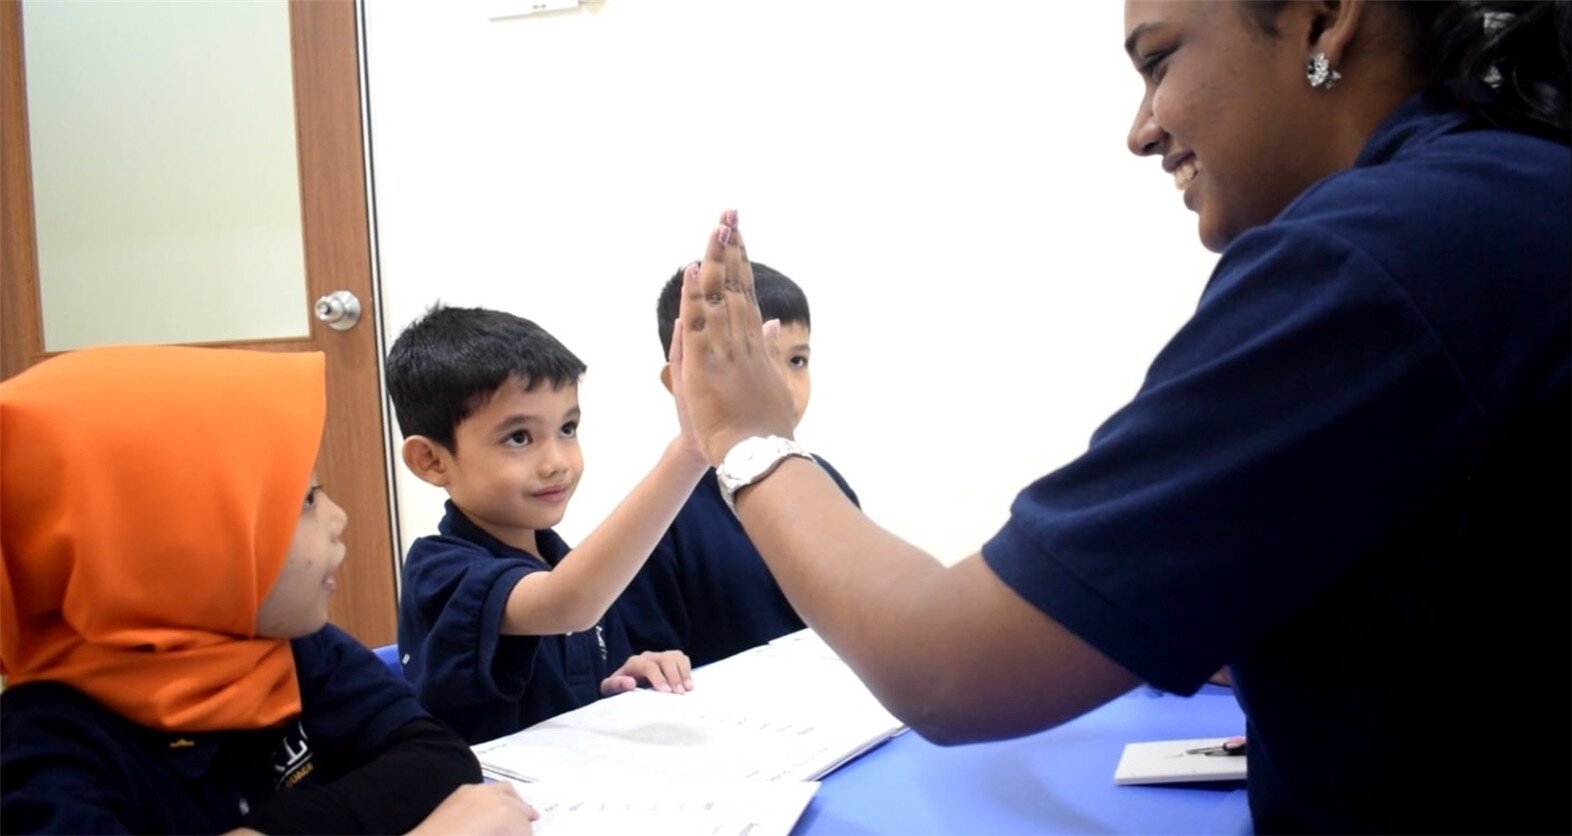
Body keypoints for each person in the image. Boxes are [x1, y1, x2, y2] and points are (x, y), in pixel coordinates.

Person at [665, 2, 1570, 832]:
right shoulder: (1512, 189)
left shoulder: (1375, 254)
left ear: (1326, 18)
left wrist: (749, 439)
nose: (1142, 131)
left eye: (1159, 60)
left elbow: (949, 671)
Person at [0, 345, 537, 835]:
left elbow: (435, 756)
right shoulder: (46, 752)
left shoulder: (290, 647)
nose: (338, 518)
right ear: (175, 541)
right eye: (303, 501)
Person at [387, 304, 702, 745]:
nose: (557, 462)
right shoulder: (439, 572)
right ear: (432, 460)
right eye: (519, 437)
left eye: (568, 428)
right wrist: (691, 450)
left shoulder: (562, 562)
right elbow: (568, 603)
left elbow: (582, 675)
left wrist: (624, 680)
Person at [619, 262, 861, 666]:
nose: (782, 384)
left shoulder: (824, 481)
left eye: (797, 360)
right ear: (679, 380)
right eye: (754, 360)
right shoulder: (658, 522)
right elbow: (644, 672)